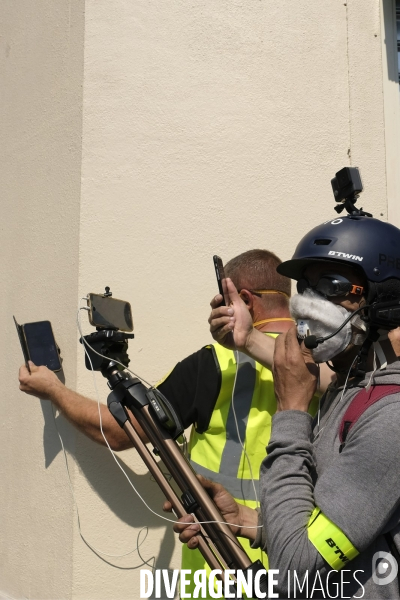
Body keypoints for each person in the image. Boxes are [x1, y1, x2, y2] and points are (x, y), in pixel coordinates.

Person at [20, 249, 328, 598]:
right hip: (307, 564)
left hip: (221, 569)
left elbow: (121, 430)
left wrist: (54, 391)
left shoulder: (214, 362)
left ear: (242, 299)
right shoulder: (329, 362)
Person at [174, 213, 400, 598]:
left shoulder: (390, 417)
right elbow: (324, 524)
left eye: (331, 285)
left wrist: (292, 412)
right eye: (305, 287)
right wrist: (250, 523)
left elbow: (295, 567)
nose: (309, 304)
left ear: (386, 300)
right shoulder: (350, 388)